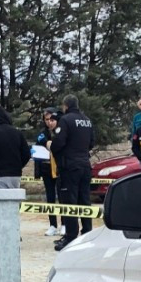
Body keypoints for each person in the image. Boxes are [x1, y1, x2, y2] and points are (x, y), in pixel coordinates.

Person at [51, 94, 95, 251]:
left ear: (66, 106)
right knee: (85, 201)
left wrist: (53, 148)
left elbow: (59, 142)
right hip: (84, 165)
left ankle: (70, 237)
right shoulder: (87, 120)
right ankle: (87, 234)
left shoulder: (66, 119)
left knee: (69, 202)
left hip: (69, 167)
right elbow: (91, 143)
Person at [0, 106, 31, 189]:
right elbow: (27, 154)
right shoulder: (17, 133)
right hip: (15, 174)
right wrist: (18, 166)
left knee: (1, 200)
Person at [35, 108, 62, 236]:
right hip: (46, 169)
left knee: (63, 197)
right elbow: (37, 153)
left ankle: (65, 223)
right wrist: (37, 171)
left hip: (60, 169)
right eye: (47, 120)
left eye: (52, 119)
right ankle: (52, 225)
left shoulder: (62, 132)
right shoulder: (41, 135)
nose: (49, 122)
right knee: (50, 197)